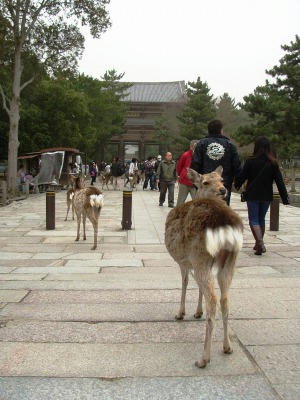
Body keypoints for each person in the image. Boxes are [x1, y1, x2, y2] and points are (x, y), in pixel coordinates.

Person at [235, 136, 289, 255]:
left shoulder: (250, 161)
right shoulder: (273, 162)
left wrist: (237, 183)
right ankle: (258, 244)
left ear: (256, 147)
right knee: (261, 219)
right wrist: (285, 197)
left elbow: (243, 175)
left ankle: (260, 243)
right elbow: (279, 181)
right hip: (266, 195)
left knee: (253, 220)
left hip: (253, 194)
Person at [190, 120, 241, 205]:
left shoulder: (201, 144)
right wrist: (238, 182)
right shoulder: (230, 145)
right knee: (222, 212)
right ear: (221, 130)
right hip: (223, 187)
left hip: (205, 186)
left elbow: (195, 164)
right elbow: (237, 166)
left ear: (208, 130)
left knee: (204, 211)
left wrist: (197, 183)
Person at [176, 140, 198, 205]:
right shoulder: (185, 155)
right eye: (193, 146)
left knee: (197, 201)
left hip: (195, 182)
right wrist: (181, 175)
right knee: (181, 200)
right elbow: (179, 166)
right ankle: (178, 213)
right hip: (184, 181)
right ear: (190, 146)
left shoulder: (199, 155)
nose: (194, 147)